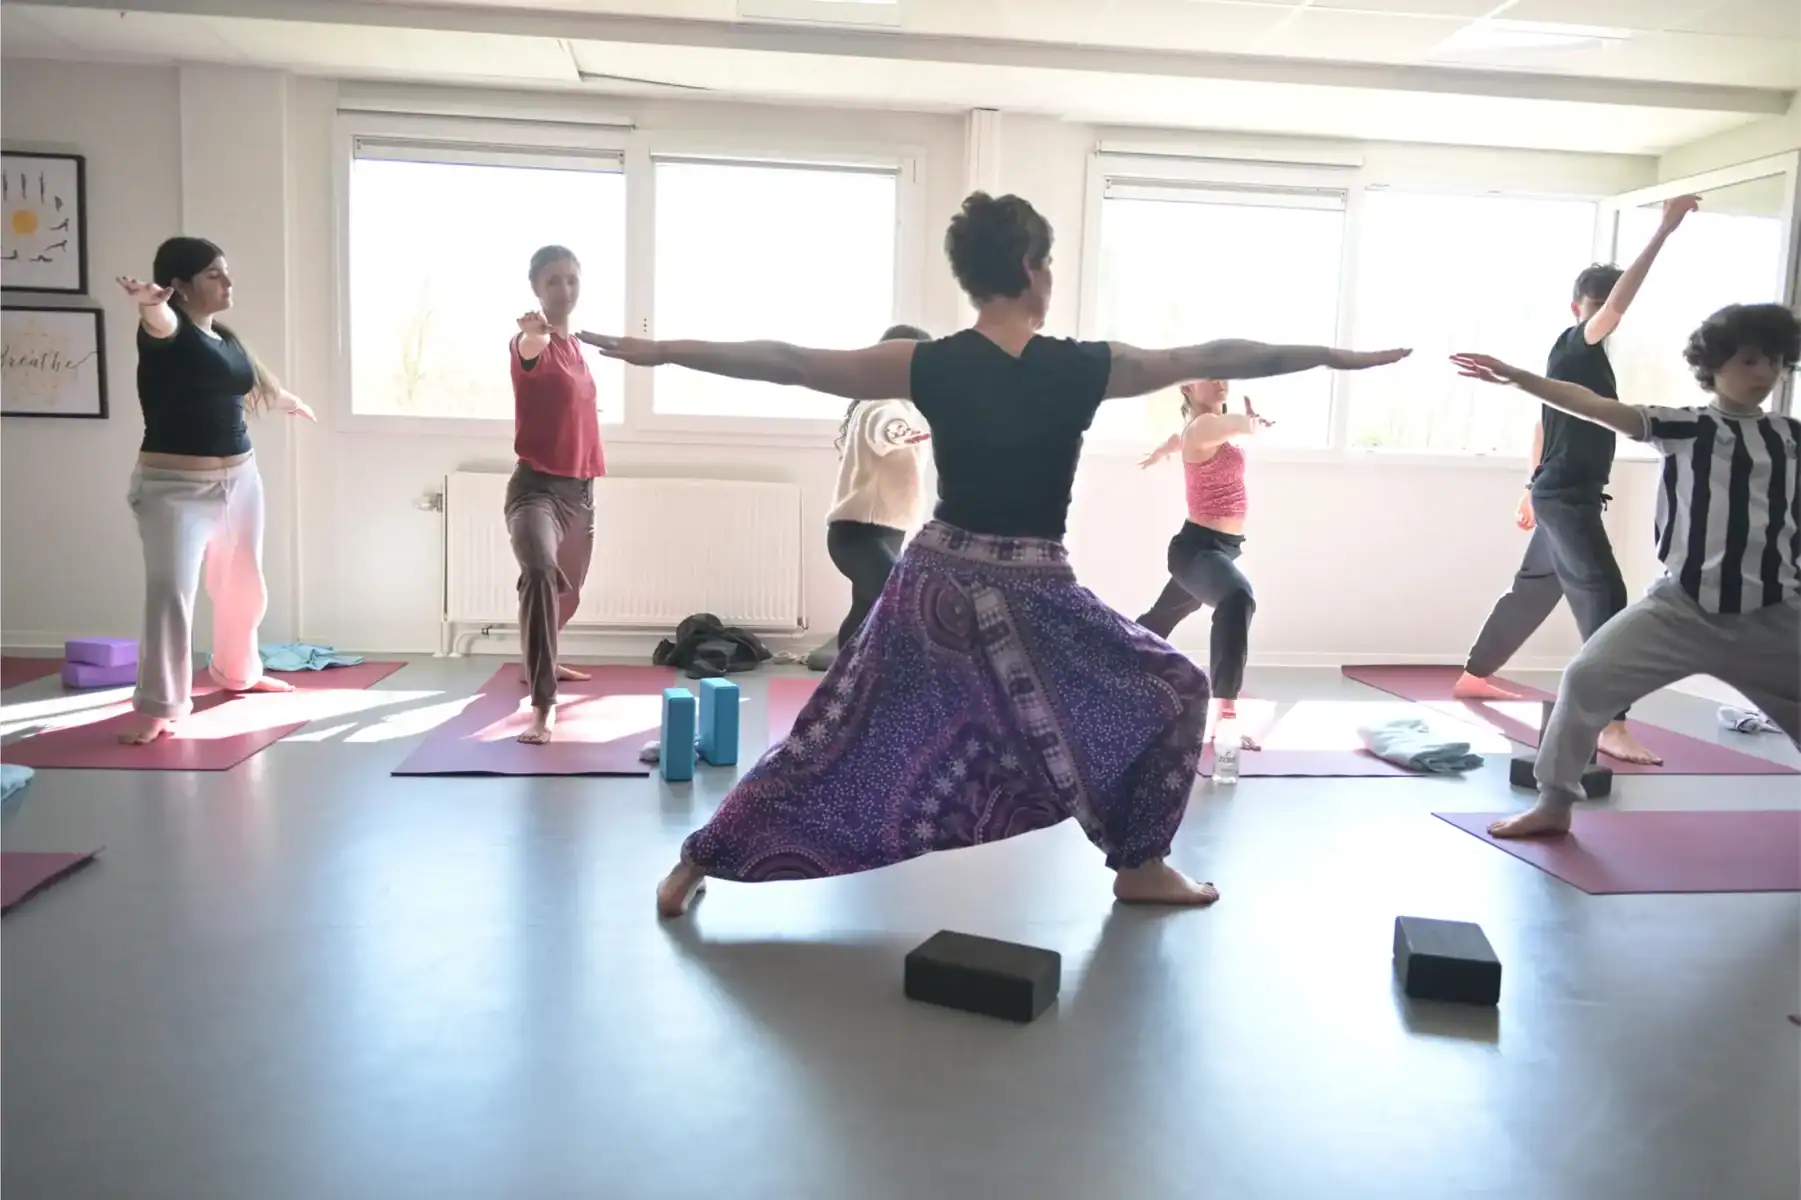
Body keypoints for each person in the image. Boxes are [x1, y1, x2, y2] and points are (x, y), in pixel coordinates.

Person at [583, 191, 1409, 918]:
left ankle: (695, 863)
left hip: (934, 583)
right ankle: (1141, 867)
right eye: (1047, 263)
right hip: (1030, 586)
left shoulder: (930, 363)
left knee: (835, 734)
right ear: (1029, 268)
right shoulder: (1082, 367)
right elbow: (1214, 354)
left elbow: (791, 363)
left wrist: (664, 352)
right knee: (1176, 687)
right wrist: (1332, 358)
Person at [1450, 300, 1800, 839]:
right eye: (1749, 361)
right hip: (1681, 609)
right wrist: (1520, 378)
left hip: (1773, 615)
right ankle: (1554, 803)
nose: (1764, 373)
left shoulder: (1791, 437)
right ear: (1714, 367)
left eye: (1774, 361)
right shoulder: (1684, 427)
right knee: (1585, 679)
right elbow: (1592, 405)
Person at [1451, 195, 1701, 768]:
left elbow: (1546, 421)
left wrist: (1529, 486)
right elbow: (1616, 304)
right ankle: (1611, 723)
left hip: (1557, 491)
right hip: (1565, 496)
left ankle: (1475, 675)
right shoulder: (1578, 345)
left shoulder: (1574, 359)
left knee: (1534, 589)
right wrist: (1664, 228)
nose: (1607, 315)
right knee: (1607, 598)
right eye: (1599, 307)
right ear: (1579, 309)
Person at [114, 239, 316, 745]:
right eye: (213, 275)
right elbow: (160, 322)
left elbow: (247, 382)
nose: (227, 283)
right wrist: (150, 304)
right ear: (180, 286)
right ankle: (159, 706)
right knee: (170, 595)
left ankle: (239, 673)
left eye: (226, 272)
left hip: (241, 480)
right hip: (174, 489)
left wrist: (289, 400)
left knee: (243, 586)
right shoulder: (167, 333)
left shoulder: (222, 336)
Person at [1133, 380, 1270, 749]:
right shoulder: (1205, 427)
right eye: (1210, 375)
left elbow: (1179, 440)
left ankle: (1106, 665)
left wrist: (1162, 451)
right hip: (1198, 550)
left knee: (1159, 620)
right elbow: (1230, 425)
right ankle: (1226, 718)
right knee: (1237, 598)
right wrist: (1249, 423)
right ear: (1188, 387)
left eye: (1223, 374)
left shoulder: (1196, 430)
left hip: (1218, 549)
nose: (1220, 381)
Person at [509, 245, 606, 745]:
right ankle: (543, 706)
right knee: (540, 573)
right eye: (553, 281)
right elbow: (529, 349)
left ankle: (541, 660)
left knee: (568, 592)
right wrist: (533, 333)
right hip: (536, 492)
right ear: (536, 288)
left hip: (580, 493)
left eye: (571, 279)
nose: (564, 289)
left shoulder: (576, 349)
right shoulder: (533, 344)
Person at [807, 323, 934, 672]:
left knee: (865, 611)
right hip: (861, 536)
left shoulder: (901, 405)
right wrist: (899, 433)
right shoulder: (883, 403)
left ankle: (845, 684)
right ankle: (879, 683)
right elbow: (884, 427)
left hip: (881, 534)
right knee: (903, 605)